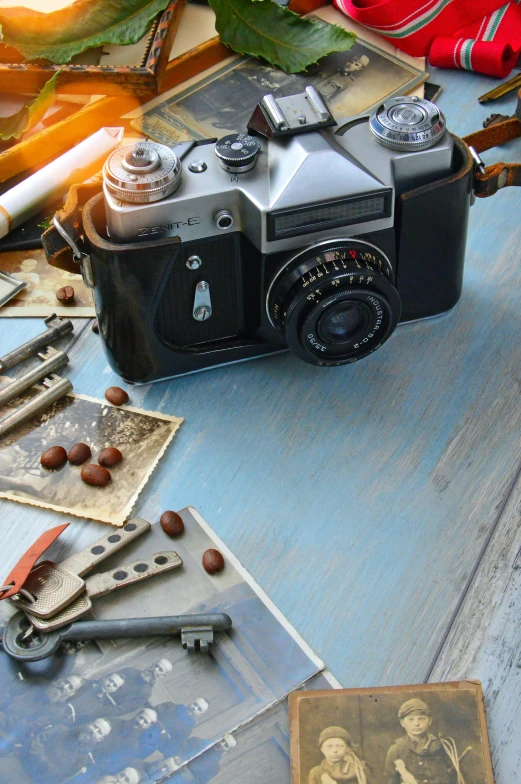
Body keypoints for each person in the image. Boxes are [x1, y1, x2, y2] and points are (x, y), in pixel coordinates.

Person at [384, 699, 460, 784]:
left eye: (421, 719)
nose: (416, 723)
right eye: (411, 719)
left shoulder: (442, 746)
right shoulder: (396, 750)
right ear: (402, 723)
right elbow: (390, 781)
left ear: (429, 721)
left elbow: (455, 778)